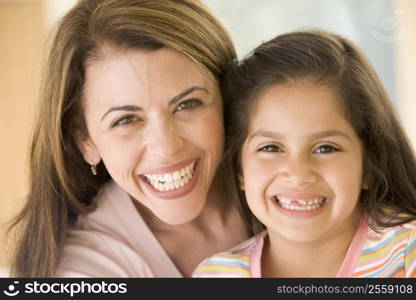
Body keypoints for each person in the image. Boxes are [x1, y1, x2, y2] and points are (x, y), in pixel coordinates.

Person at [9, 0, 256, 277]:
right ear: (85, 141)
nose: (166, 147)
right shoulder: (84, 271)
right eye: (125, 120)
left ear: (227, 99)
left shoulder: (292, 182)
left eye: (187, 104)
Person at [193, 30, 416, 278]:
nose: (298, 174)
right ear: (239, 169)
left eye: (325, 148)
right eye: (271, 148)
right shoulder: (217, 275)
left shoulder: (406, 254)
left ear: (369, 164)